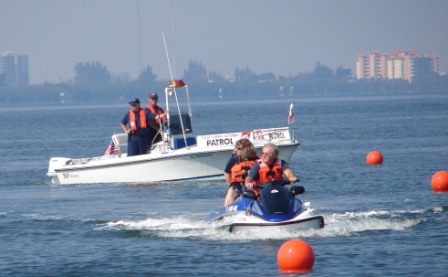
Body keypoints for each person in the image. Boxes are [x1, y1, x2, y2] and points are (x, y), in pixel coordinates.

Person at [223, 138, 258, 206]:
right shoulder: (234, 159)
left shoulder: (256, 160)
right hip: (237, 184)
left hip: (251, 184)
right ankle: (226, 209)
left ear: (246, 149)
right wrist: (230, 184)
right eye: (236, 148)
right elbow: (227, 172)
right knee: (231, 192)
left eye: (239, 149)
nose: (236, 150)